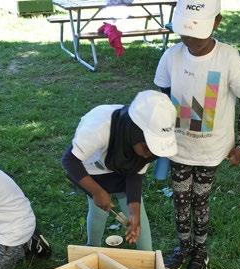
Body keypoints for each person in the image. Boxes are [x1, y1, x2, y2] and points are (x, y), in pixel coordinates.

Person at [154, 0, 240, 269]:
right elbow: (161, 100)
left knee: (200, 199)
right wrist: (159, 136)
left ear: (217, 21)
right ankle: (183, 246)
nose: (190, 39)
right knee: (179, 197)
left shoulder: (228, 58)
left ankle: (200, 250)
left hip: (211, 149)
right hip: (178, 147)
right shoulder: (171, 57)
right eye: (184, 32)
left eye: (197, 32)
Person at [62, 90, 177, 250]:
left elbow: (134, 177)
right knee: (98, 210)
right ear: (134, 134)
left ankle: (148, 257)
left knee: (137, 214)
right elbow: (70, 161)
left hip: (121, 165)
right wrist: (96, 191)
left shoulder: (145, 148)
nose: (149, 154)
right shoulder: (98, 128)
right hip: (93, 168)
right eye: (147, 148)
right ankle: (92, 248)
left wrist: (134, 214)